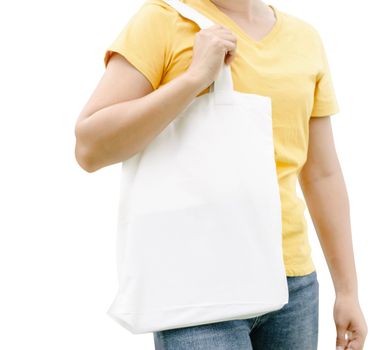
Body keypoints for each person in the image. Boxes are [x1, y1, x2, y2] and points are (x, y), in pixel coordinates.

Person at [74, 0, 367, 348]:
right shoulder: (163, 20)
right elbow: (89, 148)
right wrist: (195, 77)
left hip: (294, 285)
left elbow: (322, 174)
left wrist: (347, 290)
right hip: (199, 287)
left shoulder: (305, 39)